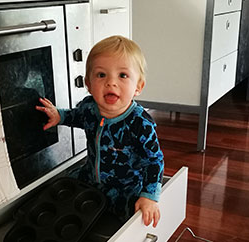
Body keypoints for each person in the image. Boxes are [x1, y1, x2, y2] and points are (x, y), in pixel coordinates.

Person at [36, 35, 164, 227]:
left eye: (122, 75)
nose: (111, 82)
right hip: (89, 176)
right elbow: (76, 116)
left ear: (138, 87)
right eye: (101, 75)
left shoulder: (140, 124)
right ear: (88, 84)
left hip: (126, 187)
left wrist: (149, 196)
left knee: (135, 215)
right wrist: (59, 116)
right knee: (60, 188)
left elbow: (154, 161)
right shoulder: (89, 108)